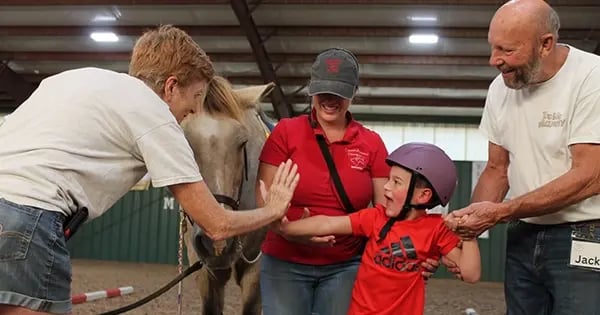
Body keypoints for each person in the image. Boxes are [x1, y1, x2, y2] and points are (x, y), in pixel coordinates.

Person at [0, 25, 299, 315]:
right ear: (170, 86)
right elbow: (216, 224)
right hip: (30, 222)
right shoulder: (154, 114)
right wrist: (272, 210)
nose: (193, 112)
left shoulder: (73, 79)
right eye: (196, 98)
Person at [444, 0, 600, 314]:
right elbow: (496, 169)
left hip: (585, 233)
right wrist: (468, 229)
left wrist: (502, 211)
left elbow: (590, 176)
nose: (494, 60)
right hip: (522, 234)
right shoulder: (500, 89)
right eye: (492, 48)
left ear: (546, 44)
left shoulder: (591, 78)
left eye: (507, 50)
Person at [255, 48, 390, 315]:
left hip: (346, 265)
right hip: (285, 262)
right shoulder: (285, 132)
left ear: (353, 93)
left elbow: (384, 212)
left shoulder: (371, 143)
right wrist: (287, 230)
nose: (330, 99)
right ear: (311, 91)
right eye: (323, 90)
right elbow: (263, 198)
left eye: (339, 91)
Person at [274, 142, 481, 315]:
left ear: (423, 196)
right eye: (389, 179)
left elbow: (471, 274)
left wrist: (469, 234)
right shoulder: (375, 217)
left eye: (396, 182)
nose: (386, 187)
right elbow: (327, 223)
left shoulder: (436, 228)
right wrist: (287, 227)